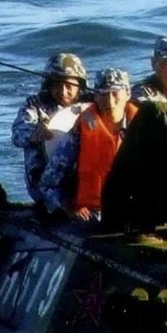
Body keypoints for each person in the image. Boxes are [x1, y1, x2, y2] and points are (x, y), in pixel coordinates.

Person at [38, 68, 138, 222]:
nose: (110, 101)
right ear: (95, 96)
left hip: (136, 209)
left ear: (127, 94)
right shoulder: (80, 131)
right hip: (94, 214)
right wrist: (68, 207)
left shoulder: (143, 126)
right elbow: (48, 183)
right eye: (103, 94)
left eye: (115, 93)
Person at [11, 51, 88, 204]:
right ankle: (48, 199)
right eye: (57, 86)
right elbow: (18, 135)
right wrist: (35, 134)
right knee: (34, 146)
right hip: (46, 175)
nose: (63, 92)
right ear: (48, 85)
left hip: (84, 173)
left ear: (80, 85)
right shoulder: (35, 105)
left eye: (69, 86)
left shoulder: (92, 104)